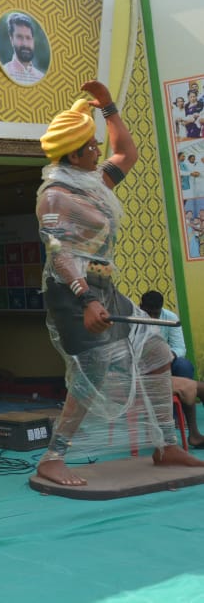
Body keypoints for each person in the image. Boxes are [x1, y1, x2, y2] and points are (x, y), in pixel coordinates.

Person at [33, 79, 204, 486]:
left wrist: (108, 107)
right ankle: (53, 457)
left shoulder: (94, 183)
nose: (98, 150)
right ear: (73, 155)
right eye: (91, 146)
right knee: (92, 372)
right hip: (72, 292)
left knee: (155, 350)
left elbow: (127, 153)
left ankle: (165, 445)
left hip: (103, 286)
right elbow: (59, 253)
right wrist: (87, 300)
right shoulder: (55, 196)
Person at [139, 291, 191, 378]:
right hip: (139, 361)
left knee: (183, 366)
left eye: (156, 314)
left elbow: (179, 348)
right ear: (141, 307)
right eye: (148, 313)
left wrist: (165, 357)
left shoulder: (171, 318)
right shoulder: (131, 317)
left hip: (165, 359)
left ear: (161, 308)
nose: (152, 318)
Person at [1, 12, 45, 85]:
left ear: (33, 41)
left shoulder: (41, 78)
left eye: (28, 38)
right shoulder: (3, 72)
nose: (25, 44)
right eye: (19, 37)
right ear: (11, 40)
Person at [172, 376, 204, 448]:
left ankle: (194, 434)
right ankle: (194, 435)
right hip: (152, 381)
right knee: (200, 387)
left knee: (184, 367)